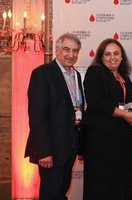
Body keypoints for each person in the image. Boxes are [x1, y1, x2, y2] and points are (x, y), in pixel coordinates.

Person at [25, 33, 84, 200]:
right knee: (50, 194)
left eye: (75, 51)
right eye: (66, 49)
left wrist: (79, 145)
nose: (71, 55)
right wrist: (43, 152)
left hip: (70, 146)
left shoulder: (76, 76)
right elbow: (37, 116)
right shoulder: (42, 73)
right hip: (50, 149)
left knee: (61, 192)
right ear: (57, 49)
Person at [82, 38, 132, 200]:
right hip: (101, 139)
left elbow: (128, 104)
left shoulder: (124, 77)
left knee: (122, 183)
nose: (112, 57)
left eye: (116, 53)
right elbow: (95, 102)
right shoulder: (95, 72)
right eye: (107, 54)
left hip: (123, 139)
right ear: (101, 57)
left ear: (122, 57)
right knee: (102, 185)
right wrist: (124, 115)